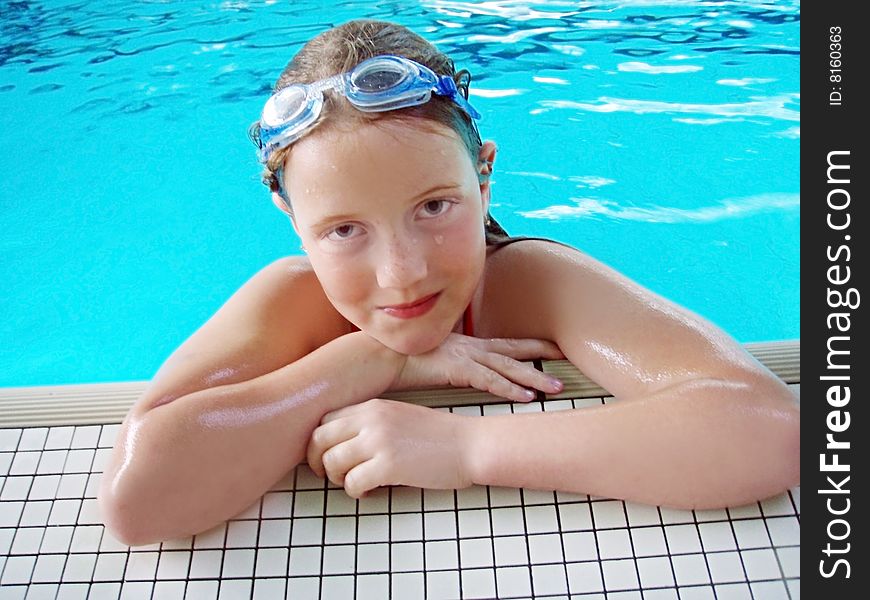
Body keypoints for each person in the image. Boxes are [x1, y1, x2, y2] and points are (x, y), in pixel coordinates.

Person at [98, 19, 800, 547]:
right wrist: (373, 359)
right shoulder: (292, 299)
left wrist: (464, 450)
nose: (402, 272)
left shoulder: (528, 281)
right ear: (290, 215)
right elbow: (140, 500)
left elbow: (766, 430)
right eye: (344, 230)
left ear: (484, 177)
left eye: (434, 207)